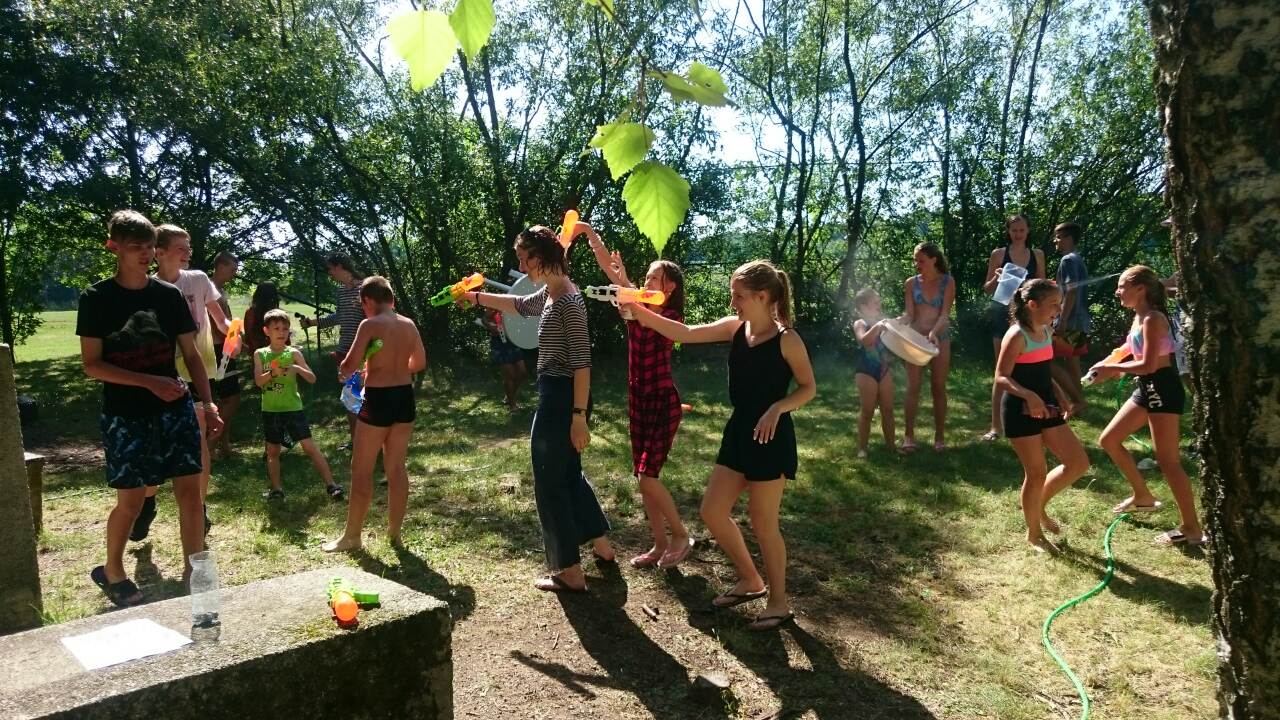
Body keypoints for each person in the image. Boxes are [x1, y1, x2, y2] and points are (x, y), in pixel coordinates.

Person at [623, 260, 816, 631]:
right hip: (738, 431)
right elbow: (683, 332)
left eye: (739, 296)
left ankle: (779, 603)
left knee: (763, 523)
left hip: (770, 438)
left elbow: (808, 387)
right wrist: (638, 311)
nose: (732, 303)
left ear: (763, 296)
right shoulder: (734, 328)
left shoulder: (787, 339)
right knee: (712, 512)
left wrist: (778, 407)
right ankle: (750, 580)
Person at [76, 210, 223, 606]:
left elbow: (191, 354)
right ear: (114, 247)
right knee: (132, 501)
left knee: (191, 495)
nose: (145, 254)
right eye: (135, 247)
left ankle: (195, 574)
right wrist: (149, 382)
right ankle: (113, 571)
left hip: (176, 410)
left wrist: (208, 403)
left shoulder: (168, 295)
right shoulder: (97, 299)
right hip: (126, 414)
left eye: (149, 247)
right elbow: (92, 364)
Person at [460, 225, 615, 592]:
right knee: (568, 473)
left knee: (549, 481)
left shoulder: (567, 302)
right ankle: (602, 545)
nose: (520, 266)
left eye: (523, 258)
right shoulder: (550, 292)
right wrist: (475, 297)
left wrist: (579, 418)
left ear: (541, 256)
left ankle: (569, 570)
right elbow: (518, 305)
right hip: (561, 396)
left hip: (564, 399)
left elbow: (582, 364)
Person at [587, 231, 693, 569]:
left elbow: (630, 298)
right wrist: (590, 235)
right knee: (643, 480)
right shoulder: (639, 307)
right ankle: (659, 544)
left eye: (653, 278)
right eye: (645, 277)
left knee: (648, 475)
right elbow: (614, 277)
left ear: (670, 287)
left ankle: (680, 536)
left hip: (662, 401)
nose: (646, 282)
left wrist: (623, 285)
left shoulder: (671, 318)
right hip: (638, 400)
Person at [1089, 266, 1205, 546]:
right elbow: (1128, 348)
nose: (1117, 292)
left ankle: (1192, 529)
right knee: (1109, 440)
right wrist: (1104, 363)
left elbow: (1149, 364)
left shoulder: (1153, 318)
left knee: (1168, 462)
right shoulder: (1139, 316)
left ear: (1140, 289)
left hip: (1162, 388)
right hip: (1147, 387)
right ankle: (1142, 496)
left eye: (1121, 286)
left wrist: (1113, 369)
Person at [132, 224, 233, 542]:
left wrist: (233, 333)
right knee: (157, 445)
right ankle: (148, 502)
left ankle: (198, 507)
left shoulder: (199, 279)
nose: (188, 252)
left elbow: (219, 319)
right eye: (181, 247)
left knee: (198, 440)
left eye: (189, 247)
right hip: (162, 375)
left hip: (198, 371)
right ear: (159, 253)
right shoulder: (147, 288)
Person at [324, 276, 426, 552]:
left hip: (379, 399)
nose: (363, 309)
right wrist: (393, 366)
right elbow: (419, 362)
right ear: (391, 298)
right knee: (396, 468)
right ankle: (395, 534)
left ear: (368, 300)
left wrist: (347, 370)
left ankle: (352, 537)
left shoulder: (369, 324)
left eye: (363, 305)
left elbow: (349, 365)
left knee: (361, 469)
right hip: (404, 397)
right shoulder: (409, 324)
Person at [994, 279, 1090, 554]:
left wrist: (1060, 395)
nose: (1059, 309)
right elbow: (1001, 377)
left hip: (1046, 405)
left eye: (1060, 303)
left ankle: (1039, 507)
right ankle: (1034, 534)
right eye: (1054, 304)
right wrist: (1028, 396)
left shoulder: (1046, 331)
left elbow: (1043, 371)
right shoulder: (1016, 335)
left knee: (1078, 463)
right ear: (1032, 305)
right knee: (1036, 474)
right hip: (1018, 409)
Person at [253, 309, 344, 502]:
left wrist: (296, 367)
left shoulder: (293, 353)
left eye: (285, 328)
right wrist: (273, 373)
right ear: (266, 331)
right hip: (270, 410)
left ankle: (331, 484)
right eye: (276, 328)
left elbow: (312, 378)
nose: (281, 332)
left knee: (309, 447)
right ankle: (276, 489)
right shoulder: (260, 354)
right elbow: (259, 382)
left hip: (293, 408)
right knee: (273, 451)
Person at [982, 214, 1046, 441]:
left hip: (1028, 317)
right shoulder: (999, 254)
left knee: (1032, 369)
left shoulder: (1037, 255)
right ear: (1008, 231)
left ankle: (1034, 419)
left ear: (1028, 231)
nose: (1018, 234)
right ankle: (995, 427)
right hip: (1003, 314)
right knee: (1002, 372)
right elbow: (987, 288)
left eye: (1021, 230)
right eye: (1014, 230)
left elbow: (1043, 286)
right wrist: (997, 278)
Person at [300, 253, 365, 450]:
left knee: (365, 398)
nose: (330, 273)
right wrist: (313, 322)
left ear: (340, 266)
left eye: (330, 268)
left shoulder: (365, 288)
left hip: (363, 353)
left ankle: (369, 442)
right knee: (350, 399)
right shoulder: (341, 292)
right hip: (344, 352)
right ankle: (356, 442)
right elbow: (339, 316)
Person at [901, 242, 954, 452]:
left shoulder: (947, 282)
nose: (917, 264)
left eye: (921, 260)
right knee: (912, 387)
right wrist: (897, 322)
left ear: (934, 260)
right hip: (915, 340)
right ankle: (908, 436)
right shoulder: (911, 283)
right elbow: (909, 315)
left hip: (941, 338)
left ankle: (939, 437)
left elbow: (945, 315)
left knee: (938, 387)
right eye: (915, 260)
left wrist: (933, 333)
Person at [1049, 222, 1090, 413]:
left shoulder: (1067, 260)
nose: (1055, 241)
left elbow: (1071, 290)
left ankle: (1075, 400)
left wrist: (1062, 320)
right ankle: (1078, 402)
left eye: (1058, 237)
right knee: (1072, 361)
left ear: (1069, 238)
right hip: (1081, 320)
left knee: (1047, 360)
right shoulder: (1077, 258)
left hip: (1070, 320)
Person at [851, 288, 895, 458]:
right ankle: (862, 448)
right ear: (863, 306)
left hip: (883, 370)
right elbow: (864, 341)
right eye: (875, 302)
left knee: (888, 410)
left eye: (879, 302)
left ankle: (891, 446)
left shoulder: (882, 323)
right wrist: (877, 327)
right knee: (867, 411)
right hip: (865, 372)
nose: (879, 305)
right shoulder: (860, 323)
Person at [208, 251, 242, 459]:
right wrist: (233, 342)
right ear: (220, 266)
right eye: (232, 269)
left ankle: (224, 446)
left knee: (225, 400)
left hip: (226, 347)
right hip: (220, 349)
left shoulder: (219, 289)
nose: (234, 273)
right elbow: (217, 324)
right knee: (232, 399)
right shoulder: (210, 289)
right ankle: (209, 446)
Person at [481, 307, 527, 410]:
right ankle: (512, 405)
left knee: (522, 372)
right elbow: (484, 319)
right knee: (509, 375)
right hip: (500, 342)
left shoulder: (513, 303)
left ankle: (508, 397)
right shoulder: (495, 306)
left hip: (512, 340)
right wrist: (491, 327)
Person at [243, 282, 281, 356]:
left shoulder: (250, 313)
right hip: (277, 354)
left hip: (257, 353)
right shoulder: (279, 314)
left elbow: (248, 336)